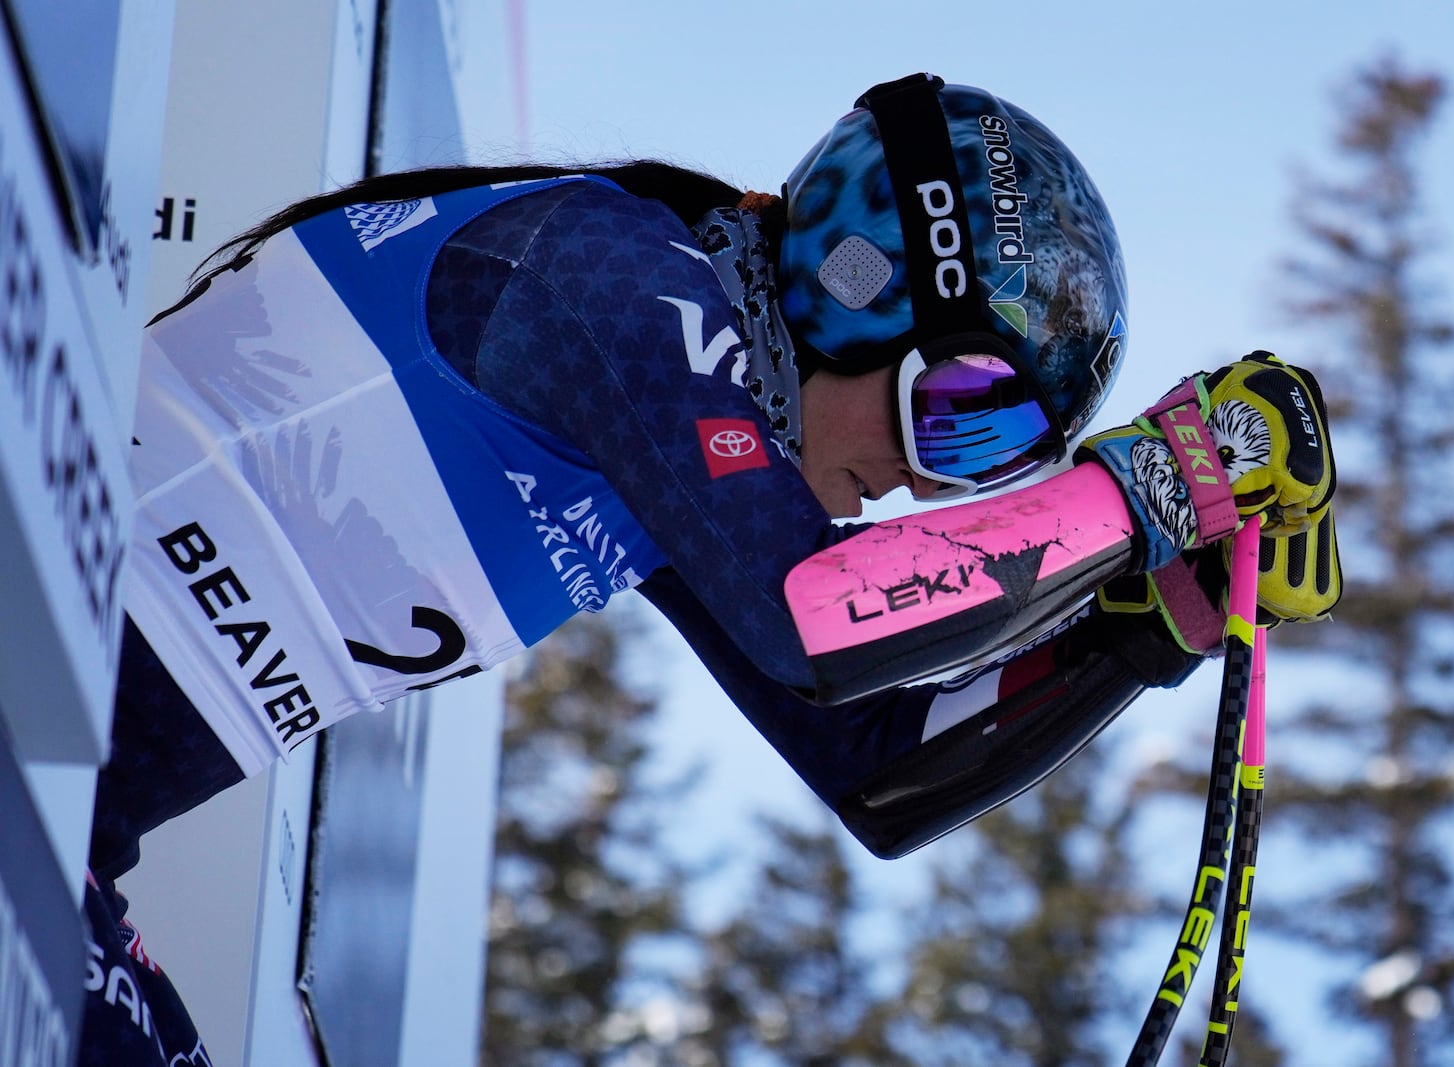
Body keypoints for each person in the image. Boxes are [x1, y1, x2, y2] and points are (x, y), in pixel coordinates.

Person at [83, 73, 1339, 1061]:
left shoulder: (666, 434)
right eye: (954, 414)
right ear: (859, 289)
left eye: (989, 459)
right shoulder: (613, 275)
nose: (923, 484)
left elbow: (882, 766)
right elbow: (819, 617)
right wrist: (1158, 482)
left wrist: (1158, 617)